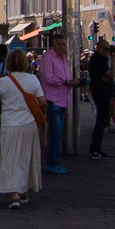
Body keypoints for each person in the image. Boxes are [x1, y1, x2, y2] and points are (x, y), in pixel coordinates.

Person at [0, 49, 46, 209]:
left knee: (10, 158)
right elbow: (42, 102)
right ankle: (22, 191)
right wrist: (43, 115)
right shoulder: (33, 80)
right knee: (26, 157)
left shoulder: (3, 81)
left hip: (9, 124)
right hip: (29, 125)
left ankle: (15, 192)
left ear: (8, 63)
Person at [35, 34, 75, 174]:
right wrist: (66, 82)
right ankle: (52, 163)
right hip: (52, 99)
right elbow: (49, 78)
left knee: (58, 132)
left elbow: (66, 76)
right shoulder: (47, 58)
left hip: (63, 99)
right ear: (53, 45)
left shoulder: (63, 58)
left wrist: (71, 82)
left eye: (63, 44)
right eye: (59, 44)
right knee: (56, 132)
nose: (62, 47)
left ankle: (55, 162)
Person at [85, 38, 115, 159]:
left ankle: (96, 149)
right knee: (101, 121)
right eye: (106, 49)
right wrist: (113, 61)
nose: (108, 52)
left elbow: (109, 76)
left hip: (102, 91)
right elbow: (111, 74)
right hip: (101, 92)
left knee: (102, 121)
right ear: (100, 48)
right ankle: (95, 150)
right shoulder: (98, 60)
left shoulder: (99, 59)